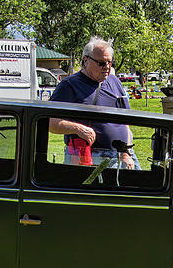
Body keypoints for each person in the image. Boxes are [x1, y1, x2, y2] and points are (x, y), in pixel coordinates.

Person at [48, 36, 139, 169]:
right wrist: (77, 128)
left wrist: (125, 152)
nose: (107, 67)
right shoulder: (69, 85)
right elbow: (49, 121)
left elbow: (125, 122)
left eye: (110, 62)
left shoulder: (115, 82)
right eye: (101, 63)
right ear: (86, 61)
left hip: (123, 155)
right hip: (89, 157)